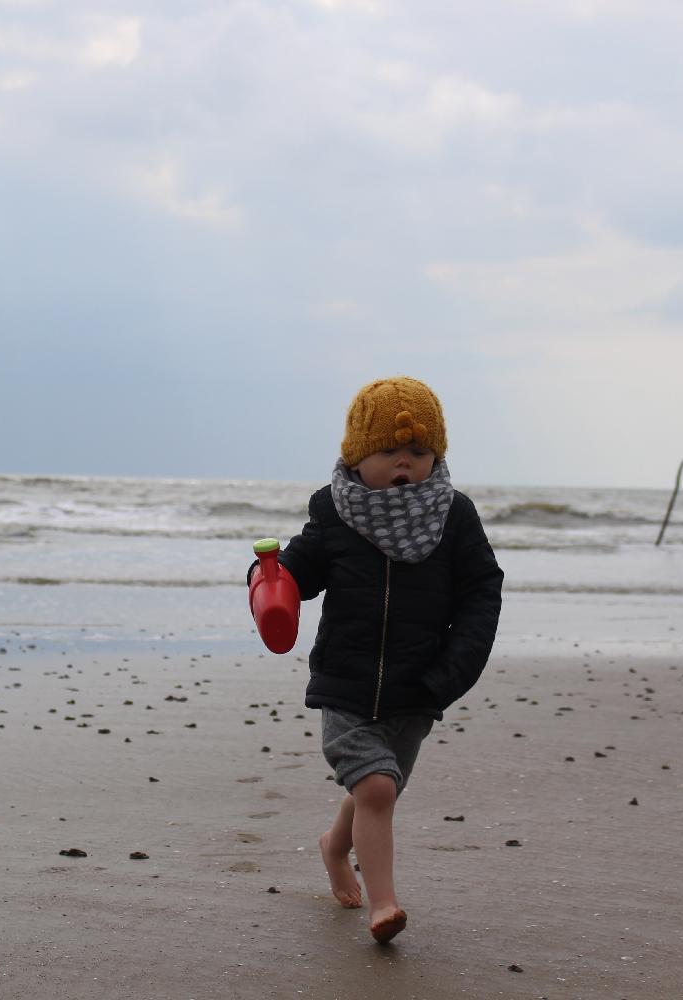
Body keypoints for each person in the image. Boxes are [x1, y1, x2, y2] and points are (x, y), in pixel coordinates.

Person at [250, 376, 503, 944]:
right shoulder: (334, 513)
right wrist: (270, 582)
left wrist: (453, 672)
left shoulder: (454, 516)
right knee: (378, 790)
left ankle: (334, 846)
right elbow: (299, 568)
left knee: (378, 788)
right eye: (389, 451)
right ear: (357, 455)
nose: (404, 464)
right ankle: (383, 905)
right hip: (346, 680)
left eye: (418, 452)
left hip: (420, 685)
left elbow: (482, 591)